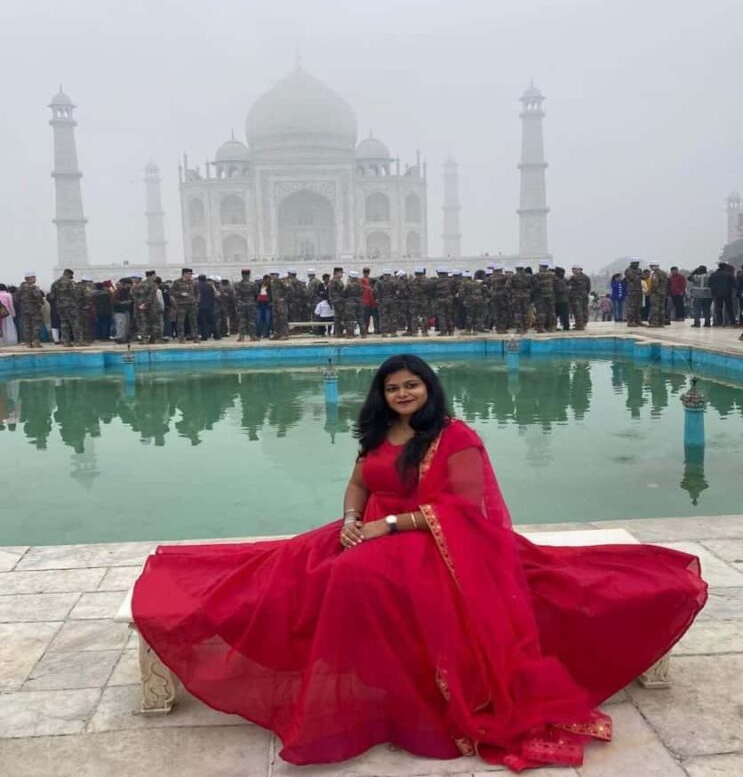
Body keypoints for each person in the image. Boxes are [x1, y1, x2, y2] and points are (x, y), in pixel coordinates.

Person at [133, 354, 706, 773]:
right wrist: (352, 518)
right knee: (289, 570)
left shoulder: (455, 436)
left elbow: (465, 509)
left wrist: (385, 526)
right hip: (370, 529)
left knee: (349, 578)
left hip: (435, 542)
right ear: (381, 395)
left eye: (411, 385)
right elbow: (358, 484)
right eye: (392, 388)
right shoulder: (378, 432)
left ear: (428, 388)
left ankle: (374, 696)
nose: (402, 394)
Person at [17, 272, 45, 348]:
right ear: (29, 278)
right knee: (36, 326)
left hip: (24, 309)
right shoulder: (34, 287)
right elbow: (38, 297)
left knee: (26, 326)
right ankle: (36, 342)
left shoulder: (20, 288)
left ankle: (28, 343)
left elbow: (17, 299)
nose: (35, 279)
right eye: (33, 277)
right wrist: (41, 304)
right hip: (34, 309)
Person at [709, 262, 735, 327]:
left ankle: (719, 323)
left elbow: (709, 284)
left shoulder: (713, 274)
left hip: (717, 294)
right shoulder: (729, 275)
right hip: (727, 293)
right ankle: (732, 322)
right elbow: (734, 284)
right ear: (725, 267)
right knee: (729, 309)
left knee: (718, 309)